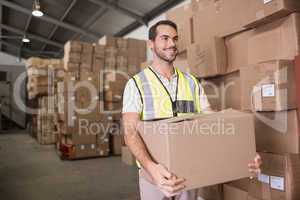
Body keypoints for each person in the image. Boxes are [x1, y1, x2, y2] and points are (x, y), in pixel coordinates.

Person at [122, 20, 261, 200]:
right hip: (154, 178)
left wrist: (244, 151)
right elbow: (130, 132)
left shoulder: (191, 82)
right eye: (165, 38)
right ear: (151, 44)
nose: (172, 44)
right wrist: (152, 168)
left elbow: (212, 121)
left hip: (191, 175)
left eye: (175, 39)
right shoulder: (136, 84)